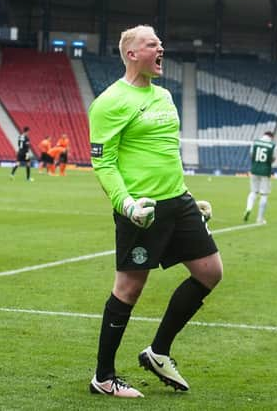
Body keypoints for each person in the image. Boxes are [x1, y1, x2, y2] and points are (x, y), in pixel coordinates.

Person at [87, 25, 223, 399]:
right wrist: (126, 204)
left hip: (178, 201)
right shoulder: (110, 102)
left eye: (161, 42)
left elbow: (166, 154)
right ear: (132, 53)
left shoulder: (164, 95)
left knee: (211, 271)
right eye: (152, 44)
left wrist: (189, 199)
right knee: (129, 288)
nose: (161, 47)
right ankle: (103, 376)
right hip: (141, 209)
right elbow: (104, 164)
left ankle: (158, 350)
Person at [243, 131, 275, 224]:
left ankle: (248, 209)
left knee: (253, 192)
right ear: (271, 137)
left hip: (254, 169)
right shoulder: (272, 145)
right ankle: (260, 218)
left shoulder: (255, 142)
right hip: (265, 171)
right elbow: (272, 158)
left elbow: (251, 155)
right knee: (264, 194)